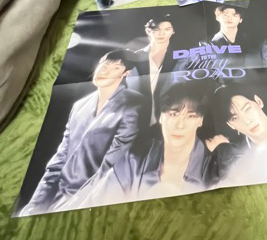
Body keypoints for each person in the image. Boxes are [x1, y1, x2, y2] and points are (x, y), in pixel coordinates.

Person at [20, 50, 143, 215]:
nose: (105, 71)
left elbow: (111, 166)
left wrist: (76, 203)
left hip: (94, 197)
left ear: (125, 74)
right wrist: (36, 204)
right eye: (104, 65)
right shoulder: (80, 106)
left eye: (115, 68)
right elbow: (59, 159)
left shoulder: (133, 104)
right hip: (60, 192)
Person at [68, 82, 214, 207]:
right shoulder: (133, 160)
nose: (180, 125)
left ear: (200, 120)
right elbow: (96, 204)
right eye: (173, 114)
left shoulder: (215, 166)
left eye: (191, 116)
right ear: (161, 117)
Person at [126, 15, 180, 125]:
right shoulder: (134, 57)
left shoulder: (181, 58)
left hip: (168, 119)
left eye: (167, 29)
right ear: (148, 31)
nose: (161, 34)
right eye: (156, 30)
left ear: (173, 31)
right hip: (136, 118)